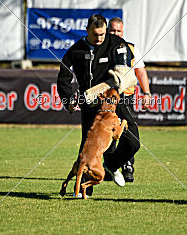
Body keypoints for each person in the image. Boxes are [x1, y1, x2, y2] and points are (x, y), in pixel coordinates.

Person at [57, 14, 141, 196]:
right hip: (90, 103)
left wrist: (122, 72)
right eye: (95, 35)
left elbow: (125, 63)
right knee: (88, 147)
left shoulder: (116, 43)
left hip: (113, 100)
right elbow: (64, 75)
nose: (99, 39)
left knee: (133, 142)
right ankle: (81, 189)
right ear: (87, 30)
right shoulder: (76, 50)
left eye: (102, 34)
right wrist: (68, 99)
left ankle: (111, 164)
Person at [104, 17, 151, 182]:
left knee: (128, 133)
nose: (116, 33)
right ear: (107, 30)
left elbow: (140, 71)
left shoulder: (130, 48)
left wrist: (146, 93)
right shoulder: (102, 48)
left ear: (122, 32)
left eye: (118, 31)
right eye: (113, 30)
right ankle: (109, 166)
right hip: (108, 98)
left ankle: (128, 167)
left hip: (127, 96)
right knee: (108, 132)